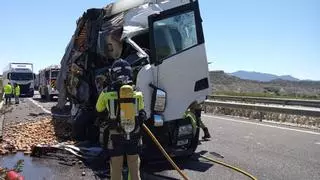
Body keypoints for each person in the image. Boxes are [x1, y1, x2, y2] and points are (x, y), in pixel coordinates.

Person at [96, 59, 146, 180]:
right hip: (134, 135)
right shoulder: (137, 92)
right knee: (134, 168)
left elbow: (98, 109)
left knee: (116, 169)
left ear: (113, 74)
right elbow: (142, 111)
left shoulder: (106, 92)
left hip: (115, 136)